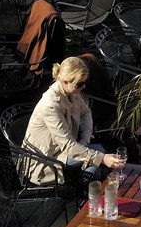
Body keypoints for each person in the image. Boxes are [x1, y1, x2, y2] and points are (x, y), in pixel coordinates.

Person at [22, 57, 125, 185]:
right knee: (99, 158)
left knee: (97, 158)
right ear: (65, 81)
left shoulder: (72, 92)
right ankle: (91, 190)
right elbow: (67, 146)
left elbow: (86, 113)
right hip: (46, 159)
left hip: (66, 148)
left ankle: (93, 190)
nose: (84, 87)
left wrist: (84, 139)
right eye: (80, 84)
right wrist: (102, 158)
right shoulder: (51, 105)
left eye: (84, 82)